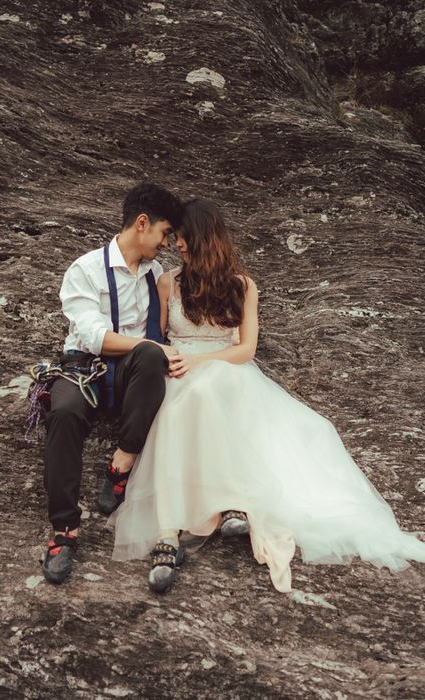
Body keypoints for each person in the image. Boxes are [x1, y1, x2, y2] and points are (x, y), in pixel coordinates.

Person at [110, 198, 425, 593]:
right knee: (174, 409)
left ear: (202, 237)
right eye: (173, 237)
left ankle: (230, 503)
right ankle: (168, 533)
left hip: (225, 368)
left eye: (182, 237)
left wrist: (204, 363)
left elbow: (245, 349)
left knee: (209, 392)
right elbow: (157, 338)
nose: (177, 244)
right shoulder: (167, 282)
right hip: (180, 368)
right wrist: (172, 359)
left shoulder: (243, 286)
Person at [41, 182, 184, 584]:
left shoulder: (157, 274)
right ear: (142, 224)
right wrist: (151, 345)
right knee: (65, 411)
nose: (167, 243)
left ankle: (121, 463)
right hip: (85, 366)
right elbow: (94, 337)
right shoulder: (85, 269)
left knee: (153, 355)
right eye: (164, 233)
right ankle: (64, 531)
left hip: (134, 372)